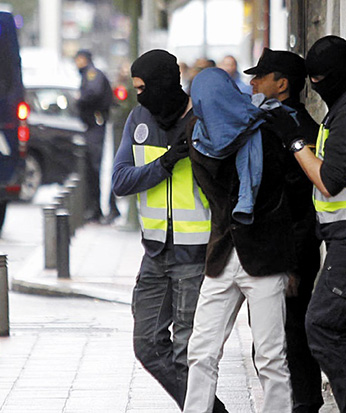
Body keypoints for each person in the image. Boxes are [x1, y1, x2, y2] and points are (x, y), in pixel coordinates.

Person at [112, 50, 227, 412]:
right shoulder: (138, 119)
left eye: (144, 87)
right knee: (146, 344)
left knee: (186, 354)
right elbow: (120, 180)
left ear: (164, 82)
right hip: (155, 253)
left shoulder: (202, 118)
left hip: (195, 256)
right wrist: (163, 164)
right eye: (136, 88)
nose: (139, 95)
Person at [184, 68, 294, 412]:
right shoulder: (197, 135)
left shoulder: (266, 129)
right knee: (201, 350)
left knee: (270, 355)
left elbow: (285, 194)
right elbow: (216, 197)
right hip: (222, 257)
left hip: (265, 256)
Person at [276, 35, 346, 412]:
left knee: (321, 326)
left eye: (319, 79)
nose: (316, 86)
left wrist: (297, 144)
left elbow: (331, 180)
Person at [244, 48, 324, 413]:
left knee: (291, 336)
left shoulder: (298, 131)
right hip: (270, 248)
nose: (253, 82)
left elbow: (300, 206)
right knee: (271, 338)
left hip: (291, 249)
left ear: (283, 84)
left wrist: (292, 263)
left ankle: (305, 402)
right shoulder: (269, 123)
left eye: (261, 76)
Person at [74, 49, 115, 223]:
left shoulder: (92, 74)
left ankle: (99, 208)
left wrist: (79, 99)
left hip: (95, 124)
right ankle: (96, 208)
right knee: (92, 167)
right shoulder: (89, 74)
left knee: (95, 165)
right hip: (93, 124)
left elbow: (94, 93)